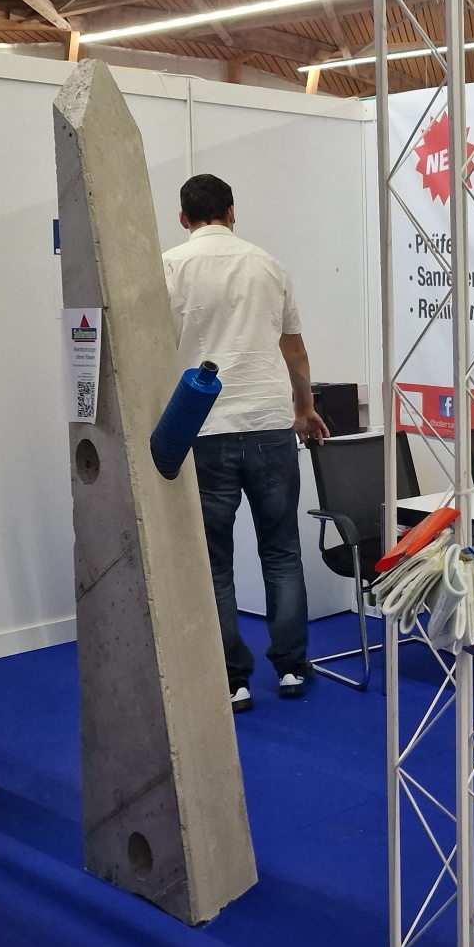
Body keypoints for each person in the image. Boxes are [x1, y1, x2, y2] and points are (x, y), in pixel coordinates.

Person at [162, 175, 329, 712]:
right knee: (281, 551)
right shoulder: (269, 265)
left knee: (214, 561)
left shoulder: (169, 267)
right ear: (232, 211)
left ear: (183, 218)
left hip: (204, 429)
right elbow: (295, 352)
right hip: (268, 423)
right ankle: (291, 667)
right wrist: (304, 409)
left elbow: (156, 350)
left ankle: (232, 678)